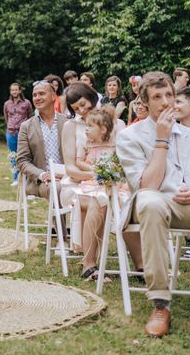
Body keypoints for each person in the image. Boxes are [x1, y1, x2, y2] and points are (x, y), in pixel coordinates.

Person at [116, 71, 190, 338]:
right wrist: (161, 140)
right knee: (150, 201)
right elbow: (148, 186)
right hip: (156, 204)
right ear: (144, 101)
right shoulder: (130, 137)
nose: (166, 102)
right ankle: (161, 304)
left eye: (169, 95)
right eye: (157, 97)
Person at [62, 82, 140, 281]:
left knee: (122, 201)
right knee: (101, 199)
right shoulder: (70, 126)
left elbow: (123, 157)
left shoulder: (115, 123)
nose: (81, 110)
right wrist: (99, 175)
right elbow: (71, 167)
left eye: (83, 104)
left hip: (113, 180)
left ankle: (140, 265)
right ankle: (89, 264)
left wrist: (111, 177)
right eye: (76, 108)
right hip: (79, 182)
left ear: (91, 96)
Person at [15, 80, 67, 200]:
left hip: (67, 177)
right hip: (41, 182)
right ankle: (59, 220)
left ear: (53, 96)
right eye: (34, 95)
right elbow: (22, 161)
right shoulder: (26, 126)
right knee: (57, 188)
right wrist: (42, 175)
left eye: (42, 94)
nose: (37, 98)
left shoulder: (67, 122)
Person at [3, 82, 32, 185]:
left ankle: (25, 177)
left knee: (24, 155)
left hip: (23, 133)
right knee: (13, 155)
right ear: (10, 92)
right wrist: (10, 126)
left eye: (16, 89)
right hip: (11, 132)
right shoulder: (7, 104)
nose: (14, 91)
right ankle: (16, 178)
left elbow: (30, 116)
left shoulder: (26, 103)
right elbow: (6, 117)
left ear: (20, 91)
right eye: (12, 90)